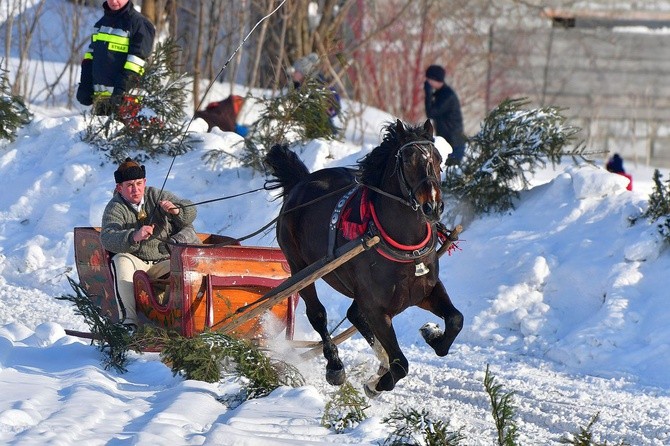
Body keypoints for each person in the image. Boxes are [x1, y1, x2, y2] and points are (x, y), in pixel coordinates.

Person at [101, 158, 199, 331]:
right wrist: (134, 236)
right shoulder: (115, 207)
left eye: (139, 183)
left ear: (145, 182)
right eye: (129, 185)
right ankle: (128, 322)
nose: (135, 189)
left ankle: (173, 322)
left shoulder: (156, 195)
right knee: (120, 260)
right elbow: (107, 237)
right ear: (119, 188)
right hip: (136, 262)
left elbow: (189, 210)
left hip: (162, 261)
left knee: (181, 268)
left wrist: (175, 210)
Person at [76, 0, 156, 116]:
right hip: (101, 102)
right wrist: (86, 84)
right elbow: (90, 57)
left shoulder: (140, 24)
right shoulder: (100, 24)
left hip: (126, 102)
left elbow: (137, 62)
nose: (114, 1)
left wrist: (122, 91)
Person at [424, 64, 466, 166]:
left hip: (454, 143)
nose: (427, 83)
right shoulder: (441, 93)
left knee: (449, 176)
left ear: (435, 79)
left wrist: (428, 93)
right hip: (447, 141)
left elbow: (431, 113)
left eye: (428, 80)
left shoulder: (447, 96)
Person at [290, 53, 341, 135]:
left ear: (304, 72)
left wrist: (328, 111)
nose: (294, 73)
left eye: (297, 71)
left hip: (323, 130)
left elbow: (335, 102)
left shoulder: (317, 85)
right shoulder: (298, 87)